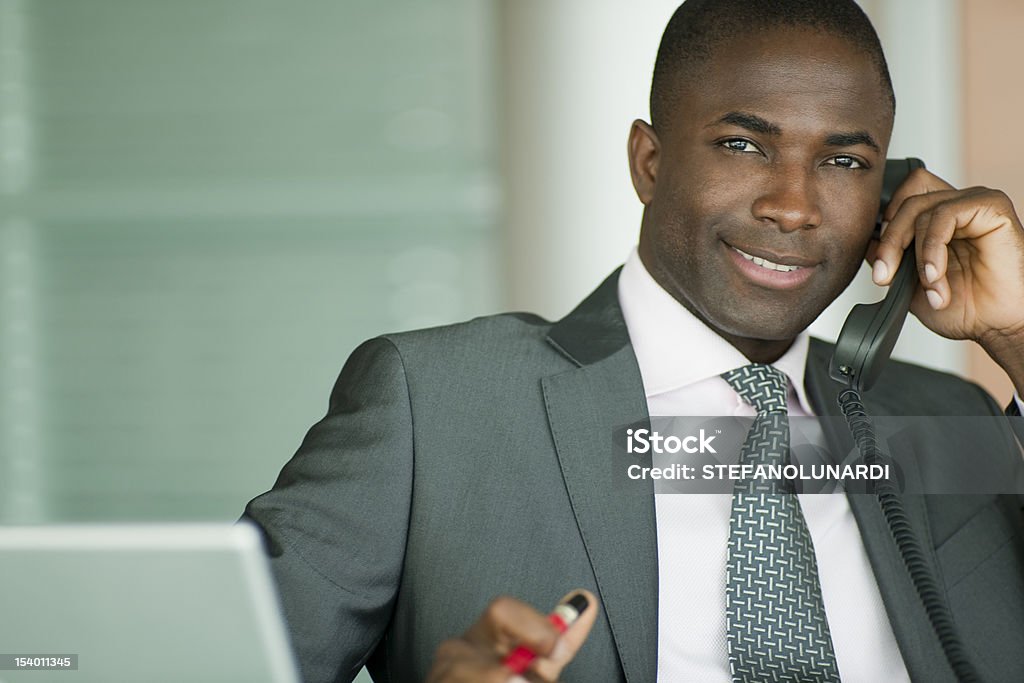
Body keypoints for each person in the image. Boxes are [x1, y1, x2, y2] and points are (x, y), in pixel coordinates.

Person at [243, 1, 1024, 681]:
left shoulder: (945, 419)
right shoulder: (436, 403)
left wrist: (1019, 334)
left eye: (844, 161)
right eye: (743, 145)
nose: (794, 206)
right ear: (649, 162)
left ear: (889, 197)